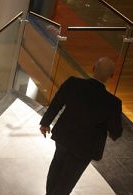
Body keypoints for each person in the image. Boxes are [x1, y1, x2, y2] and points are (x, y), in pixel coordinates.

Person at [39, 57, 122, 195]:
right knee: (68, 180)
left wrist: (45, 123)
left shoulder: (73, 83)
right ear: (112, 76)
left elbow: (56, 103)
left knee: (56, 167)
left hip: (64, 136)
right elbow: (116, 131)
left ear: (93, 68)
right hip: (86, 148)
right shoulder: (113, 103)